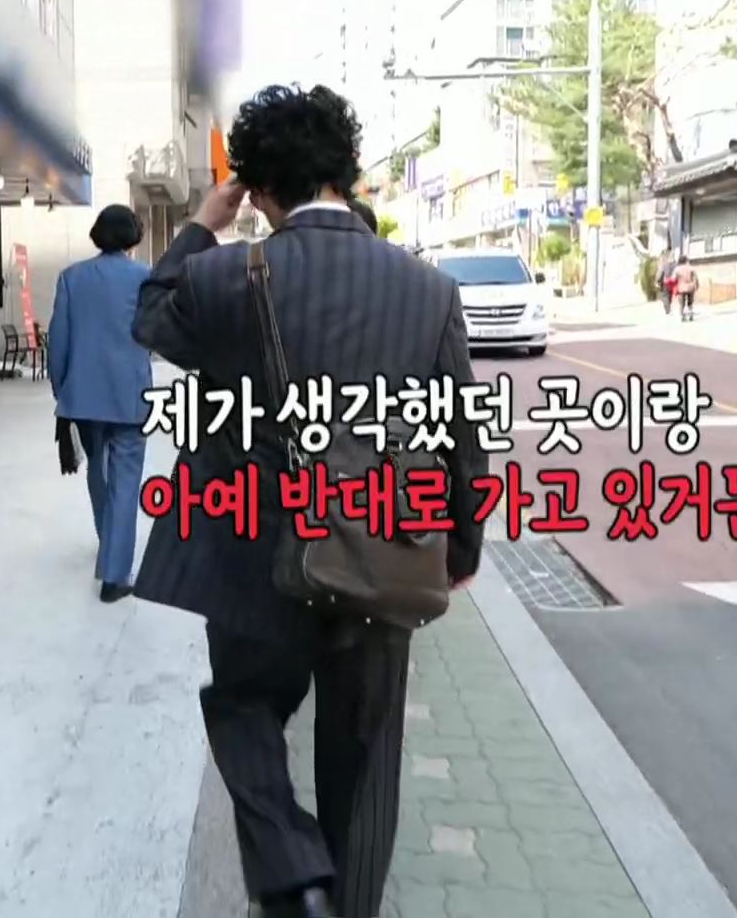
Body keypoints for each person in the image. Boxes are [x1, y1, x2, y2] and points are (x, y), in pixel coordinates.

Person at [133, 84, 488, 918]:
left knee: (243, 708)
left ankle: (293, 871)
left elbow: (150, 320)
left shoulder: (222, 276)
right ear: (346, 170)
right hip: (382, 549)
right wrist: (460, 547)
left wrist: (202, 224)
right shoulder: (427, 289)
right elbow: (460, 433)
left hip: (251, 555)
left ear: (257, 189)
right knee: (363, 760)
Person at [48, 204, 155, 603]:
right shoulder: (145, 278)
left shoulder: (71, 278)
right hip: (130, 395)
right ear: (133, 236)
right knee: (126, 480)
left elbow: (57, 341)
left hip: (84, 395)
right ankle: (115, 575)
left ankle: (107, 539)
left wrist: (62, 390)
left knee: (98, 468)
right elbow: (156, 333)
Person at [672, 254, 699, 322]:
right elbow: (696, 278)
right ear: (686, 260)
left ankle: (682, 316)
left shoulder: (677, 269)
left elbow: (673, 278)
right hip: (691, 287)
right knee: (690, 302)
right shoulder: (691, 268)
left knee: (682, 303)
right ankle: (690, 314)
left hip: (681, 287)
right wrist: (697, 285)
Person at [658, 248, 677, 315]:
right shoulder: (675, 264)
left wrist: (658, 281)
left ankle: (668, 310)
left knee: (664, 296)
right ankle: (669, 307)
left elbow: (661, 273)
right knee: (670, 295)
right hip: (673, 282)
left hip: (666, 281)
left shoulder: (664, 264)